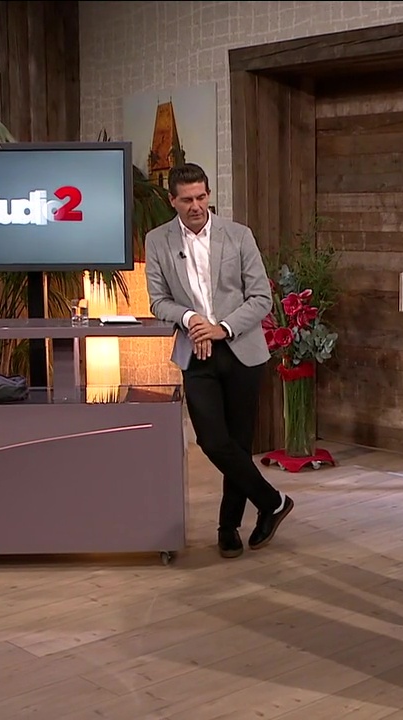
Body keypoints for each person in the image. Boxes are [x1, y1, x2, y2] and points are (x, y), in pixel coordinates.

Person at [144, 163, 294, 559]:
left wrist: (221, 328)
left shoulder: (239, 235)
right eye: (187, 200)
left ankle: (228, 528)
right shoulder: (157, 241)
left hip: (241, 349)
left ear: (209, 195)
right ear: (172, 200)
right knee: (212, 440)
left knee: (238, 444)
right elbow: (158, 301)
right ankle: (272, 501)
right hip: (196, 352)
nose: (196, 206)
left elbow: (261, 298)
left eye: (201, 197)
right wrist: (191, 319)